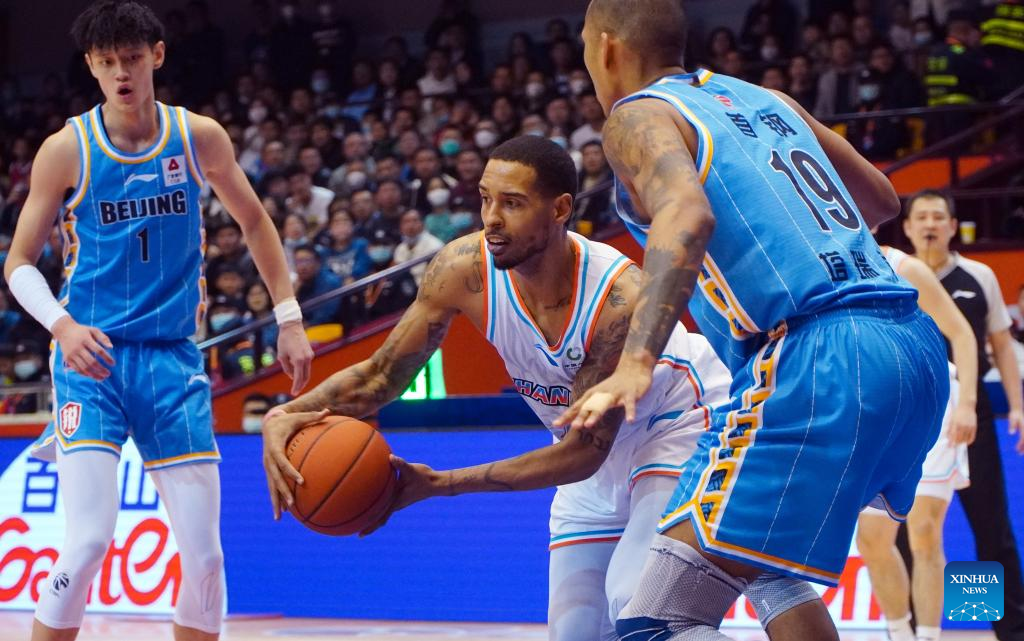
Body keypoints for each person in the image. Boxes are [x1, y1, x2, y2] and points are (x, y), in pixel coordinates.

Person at [262, 136, 824, 641]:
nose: (491, 219)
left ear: (559, 209)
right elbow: (382, 375)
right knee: (577, 633)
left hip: (679, 424)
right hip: (591, 455)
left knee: (640, 609)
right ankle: (764, 570)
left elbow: (581, 453)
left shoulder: (619, 297)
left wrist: (441, 484)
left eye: (512, 203)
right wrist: (288, 413)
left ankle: (760, 568)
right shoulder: (464, 269)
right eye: (485, 199)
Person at [560, 2, 949, 639]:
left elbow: (687, 215)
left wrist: (635, 363)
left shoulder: (636, 115)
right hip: (913, 346)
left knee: (656, 622)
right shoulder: (766, 99)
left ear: (605, 48)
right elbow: (881, 199)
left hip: (818, 355)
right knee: (763, 570)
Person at [2, 3, 314, 640]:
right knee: (88, 543)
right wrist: (62, 327)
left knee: (206, 559)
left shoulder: (198, 137)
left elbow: (255, 222)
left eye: (133, 58)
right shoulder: (65, 149)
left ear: (158, 56)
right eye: (108, 62)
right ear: (91, 66)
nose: (122, 73)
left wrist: (289, 318)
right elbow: (18, 263)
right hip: (91, 360)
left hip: (172, 358)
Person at [903, 189, 1024, 641]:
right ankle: (914, 628)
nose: (930, 225)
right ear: (908, 227)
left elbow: (1001, 347)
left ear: (953, 226)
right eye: (921, 217)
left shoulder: (979, 276)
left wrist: (1017, 405)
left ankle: (1006, 629)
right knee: (909, 528)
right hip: (912, 417)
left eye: (939, 217)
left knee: (988, 524)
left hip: (969, 414)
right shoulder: (893, 275)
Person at [857, 243, 978, 641]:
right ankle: (900, 633)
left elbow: (962, 333)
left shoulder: (903, 267)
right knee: (872, 540)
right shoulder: (824, 265)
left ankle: (928, 636)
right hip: (877, 412)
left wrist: (968, 404)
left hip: (931, 403)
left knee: (924, 532)